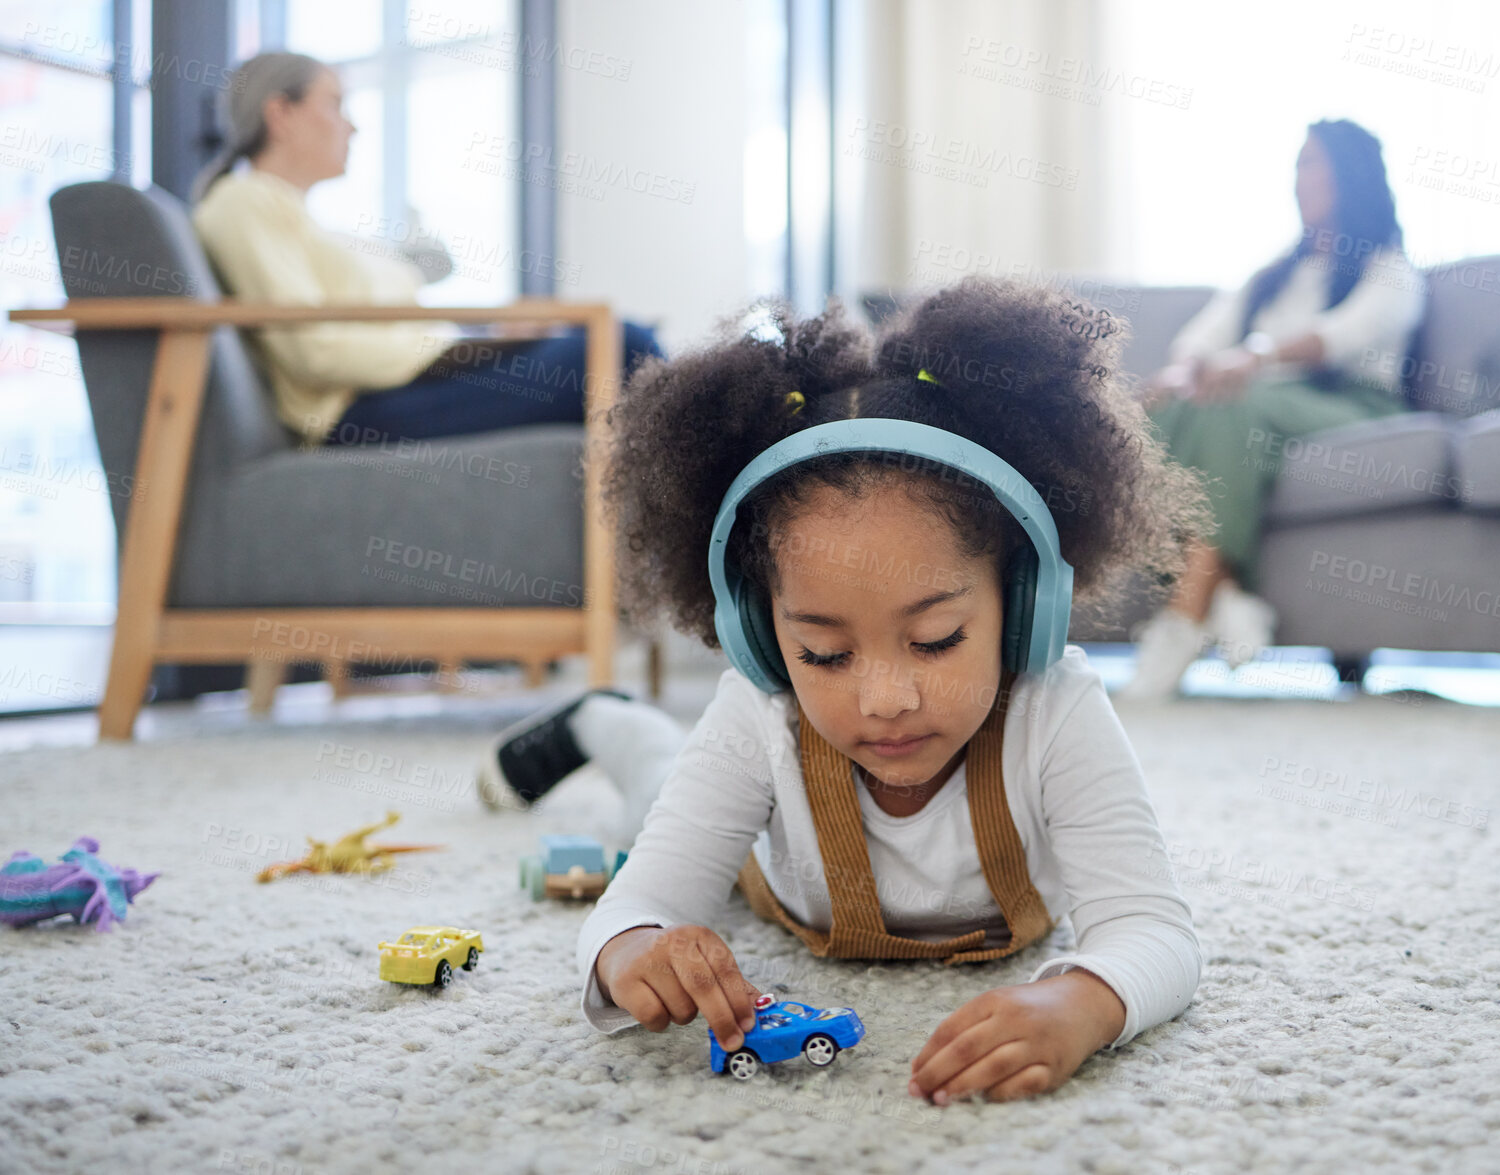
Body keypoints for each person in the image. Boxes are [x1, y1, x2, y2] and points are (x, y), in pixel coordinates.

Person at [476, 277, 1210, 1105]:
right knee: (653, 788)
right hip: (765, 873)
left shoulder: (1058, 709)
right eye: (824, 652)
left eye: (935, 640)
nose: (886, 698)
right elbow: (634, 905)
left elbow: (1153, 929)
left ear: (1025, 603)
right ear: (761, 633)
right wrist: (634, 948)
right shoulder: (760, 716)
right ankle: (604, 718)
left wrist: (1079, 1002)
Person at [189, 51, 663, 447]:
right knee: (624, 349)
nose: (352, 127)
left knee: (620, 345)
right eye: (335, 104)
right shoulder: (241, 203)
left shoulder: (305, 221)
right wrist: (468, 349)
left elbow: (375, 331)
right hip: (357, 414)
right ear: (281, 114)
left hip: (397, 390)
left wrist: (485, 338)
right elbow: (310, 349)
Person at [1124, 118, 1427, 701]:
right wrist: (1180, 373)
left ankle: (1183, 622)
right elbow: (1202, 336)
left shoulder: (1389, 268)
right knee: (1163, 418)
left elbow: (1341, 334)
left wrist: (1254, 357)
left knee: (1232, 404)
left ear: (1350, 177)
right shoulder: (1274, 275)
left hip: (1352, 407)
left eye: (1312, 164)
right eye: (1297, 165)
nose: (1299, 179)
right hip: (1259, 403)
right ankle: (1230, 595)